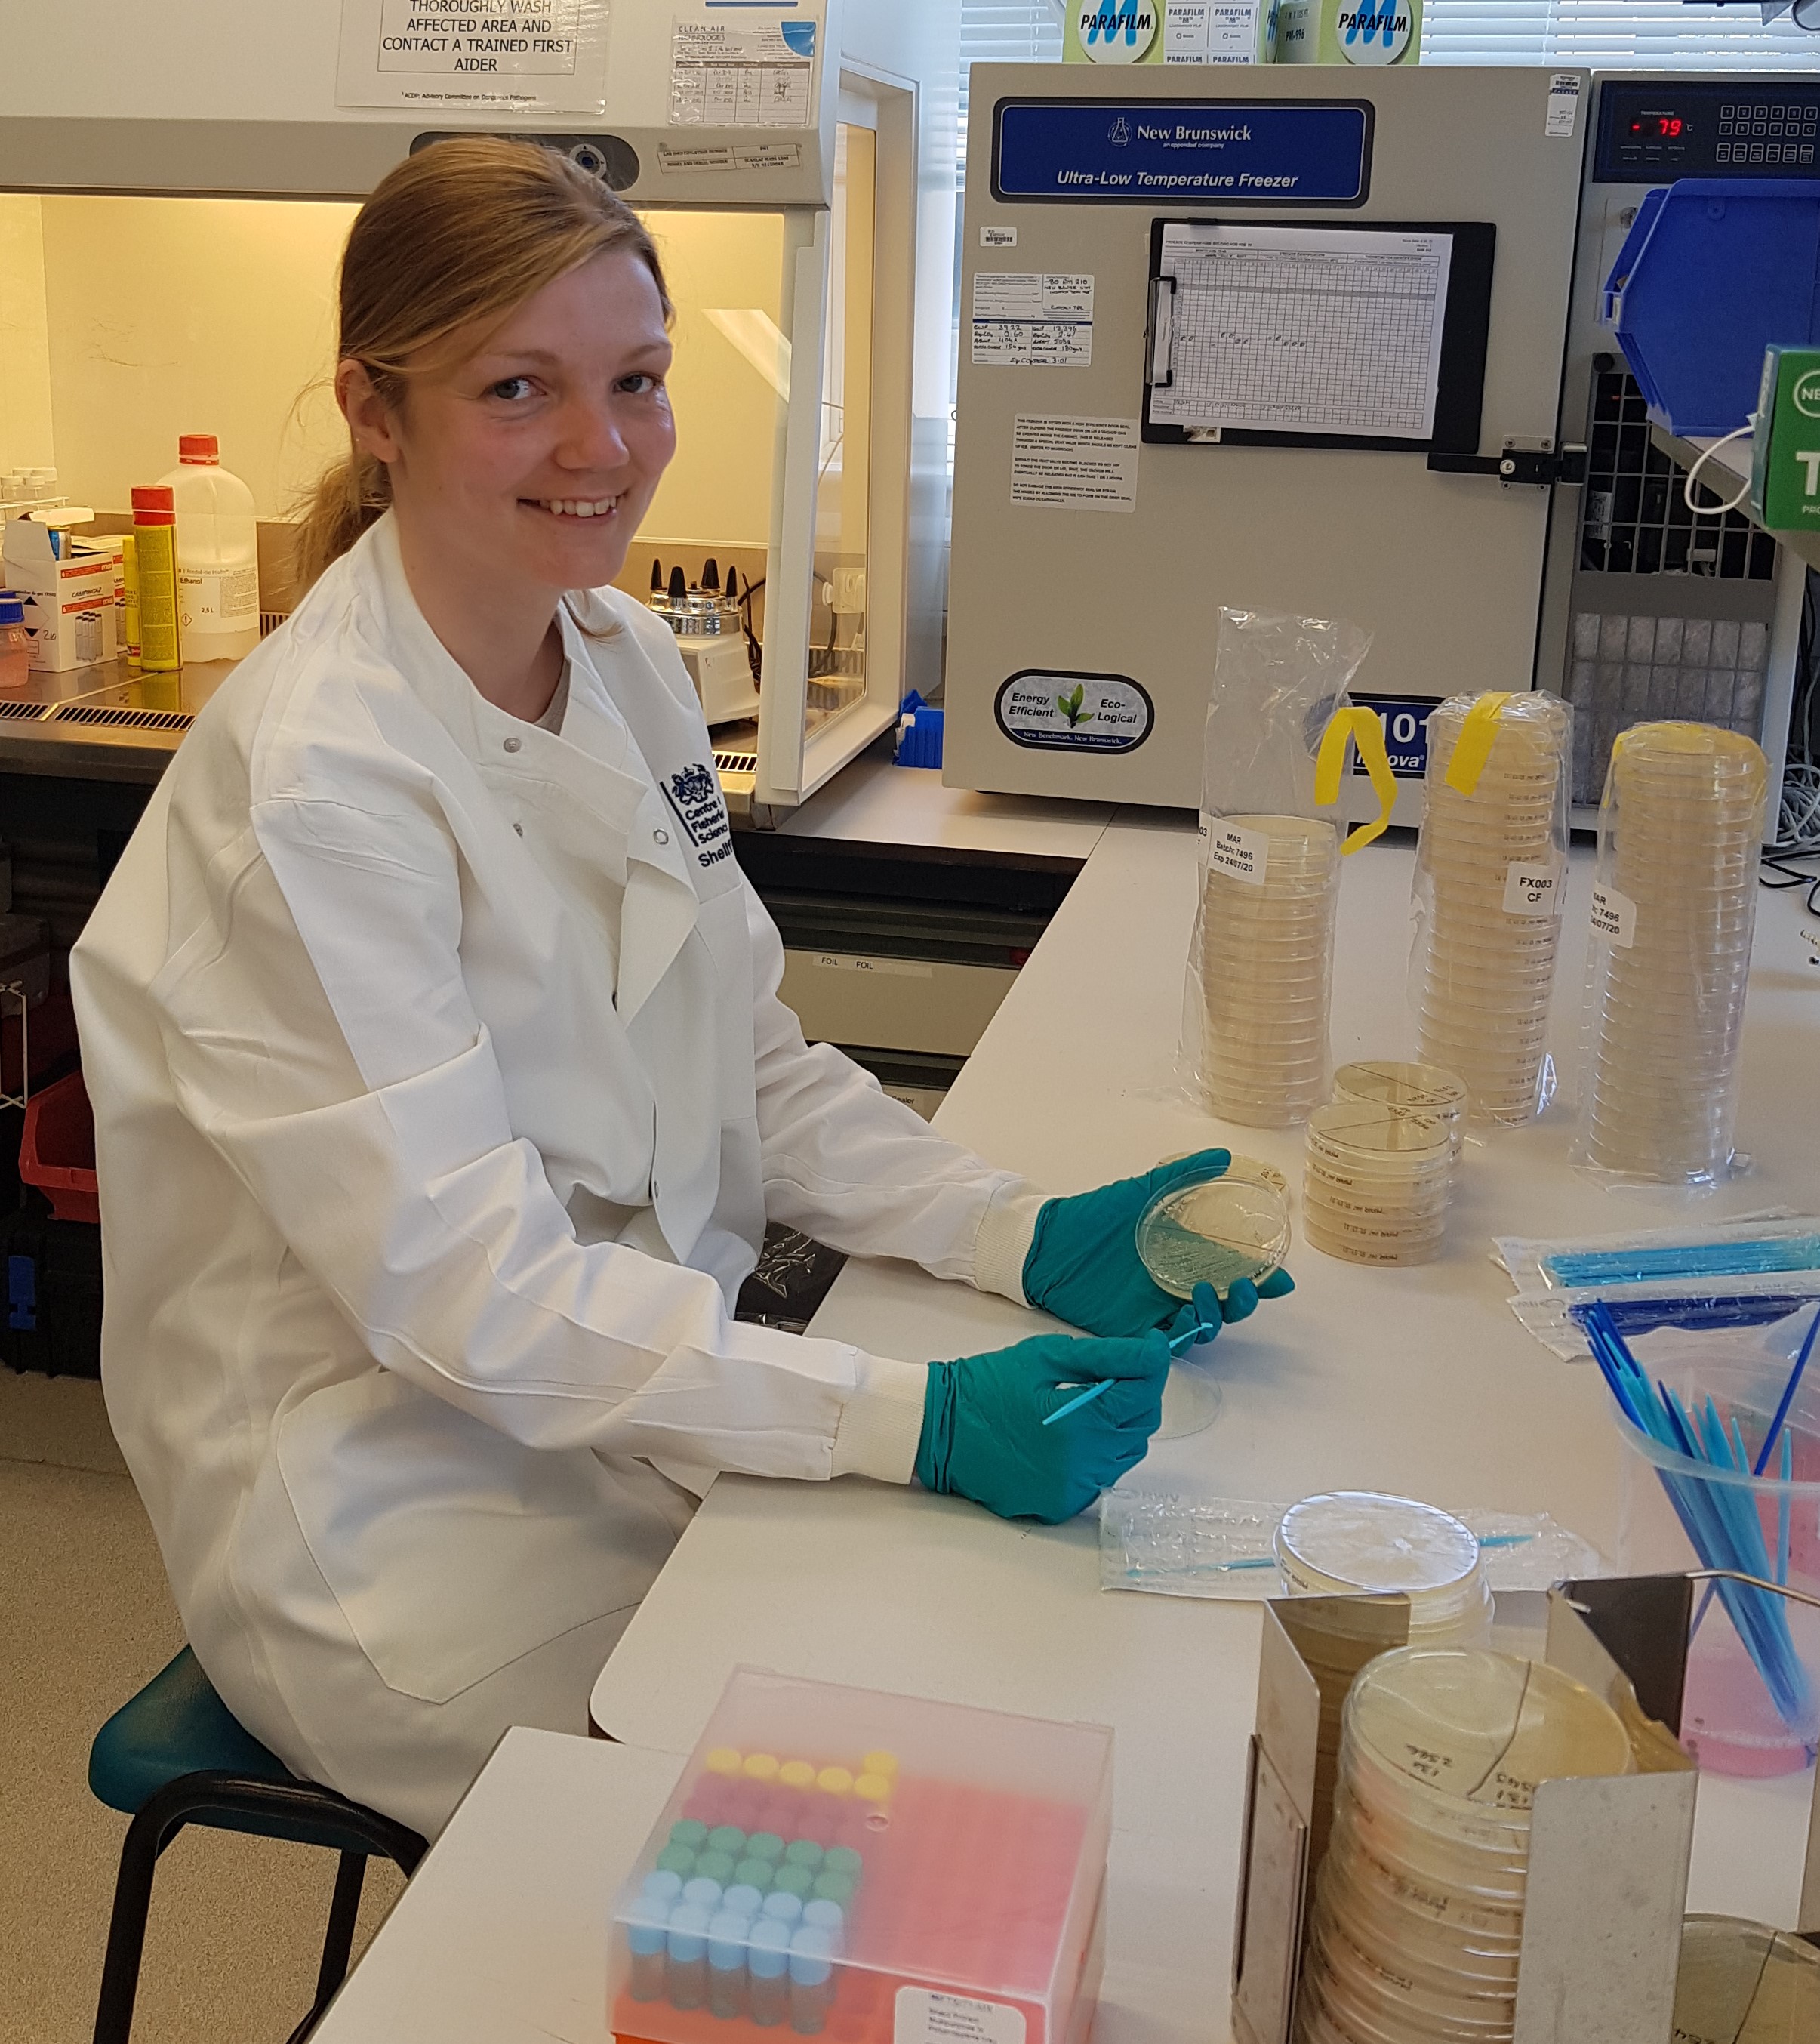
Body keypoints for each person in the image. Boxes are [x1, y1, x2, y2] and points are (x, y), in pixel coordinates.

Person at [70, 140, 1291, 1839]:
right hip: (395, 1501)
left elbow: (744, 1051)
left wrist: (1006, 1228)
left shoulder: (626, 657)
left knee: (1008, 1679)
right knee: (818, 1839)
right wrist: (915, 1415)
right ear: (374, 408)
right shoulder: (319, 786)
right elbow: (469, 1298)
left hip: (630, 1387)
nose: (603, 446)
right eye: (519, 388)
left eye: (636, 380)